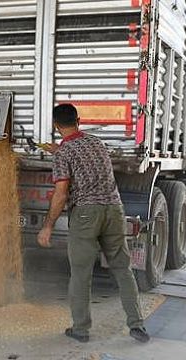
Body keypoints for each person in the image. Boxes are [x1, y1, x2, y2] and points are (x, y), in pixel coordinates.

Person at [36, 104, 150, 343]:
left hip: (86, 215)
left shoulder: (64, 153)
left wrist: (47, 226)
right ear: (79, 120)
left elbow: (61, 193)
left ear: (56, 126)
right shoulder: (96, 143)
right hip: (114, 210)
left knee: (81, 274)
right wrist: (59, 150)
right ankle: (137, 324)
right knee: (122, 268)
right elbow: (82, 156)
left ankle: (81, 329)